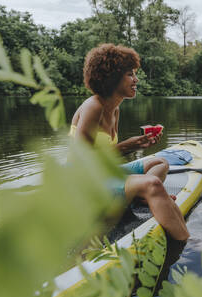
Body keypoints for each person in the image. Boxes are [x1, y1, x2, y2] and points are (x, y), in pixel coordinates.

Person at [70, 43, 189, 241]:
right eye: (130, 74)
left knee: (160, 163)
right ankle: (186, 244)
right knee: (152, 184)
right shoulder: (94, 107)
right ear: (111, 77)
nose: (136, 79)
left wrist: (139, 144)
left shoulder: (115, 109)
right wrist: (128, 146)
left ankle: (137, 196)